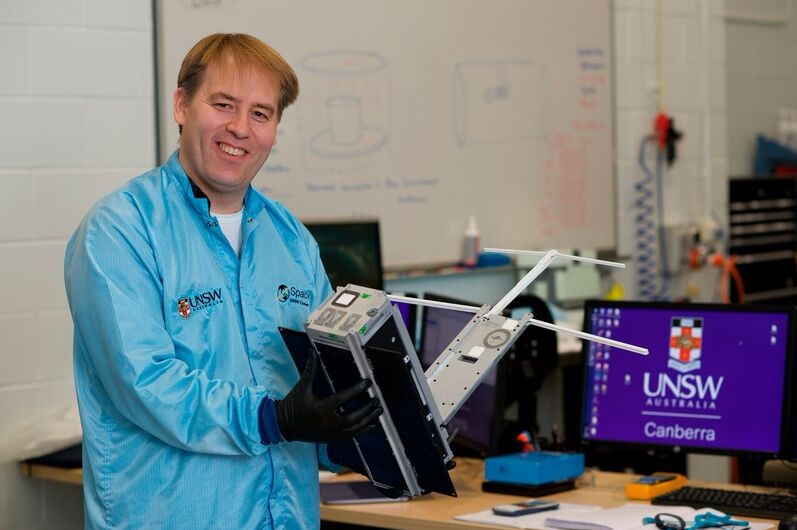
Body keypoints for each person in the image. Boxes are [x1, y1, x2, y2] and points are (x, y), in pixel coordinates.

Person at [64, 33, 382, 530]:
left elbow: (325, 376)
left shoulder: (292, 240)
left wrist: (396, 428)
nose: (240, 128)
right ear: (181, 105)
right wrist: (273, 419)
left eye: (261, 113)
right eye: (223, 104)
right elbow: (145, 383)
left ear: (276, 128)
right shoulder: (121, 229)